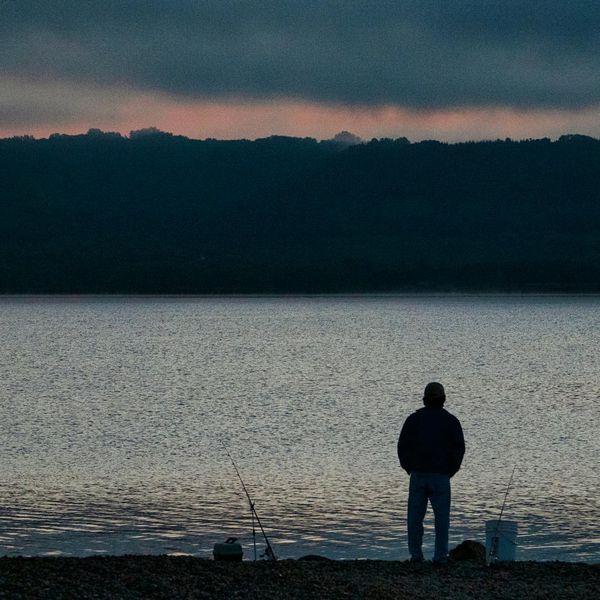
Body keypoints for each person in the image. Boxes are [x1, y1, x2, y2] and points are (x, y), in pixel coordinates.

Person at [397, 382, 465, 563]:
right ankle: (440, 556)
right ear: (443, 399)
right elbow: (459, 449)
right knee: (442, 520)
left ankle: (416, 556)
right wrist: (451, 470)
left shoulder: (413, 420)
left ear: (425, 399)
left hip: (418, 474)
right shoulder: (451, 421)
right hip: (441, 476)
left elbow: (402, 447)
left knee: (414, 519)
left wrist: (409, 467)